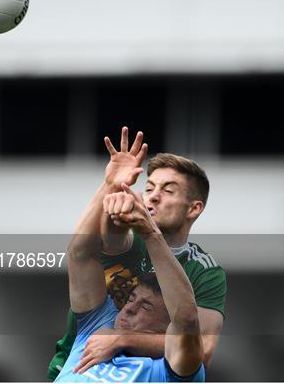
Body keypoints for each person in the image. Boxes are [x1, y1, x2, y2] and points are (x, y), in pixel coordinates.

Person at [48, 127, 226, 380]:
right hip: (79, 355)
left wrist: (122, 339)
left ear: (194, 209)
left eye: (168, 190)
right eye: (150, 187)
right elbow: (88, 247)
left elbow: (201, 348)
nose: (153, 197)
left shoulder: (204, 271)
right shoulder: (129, 240)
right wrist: (111, 185)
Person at [55, 172, 206, 381]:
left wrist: (150, 233)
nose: (128, 308)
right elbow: (80, 253)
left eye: (146, 307)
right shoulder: (100, 322)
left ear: (167, 327)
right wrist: (110, 183)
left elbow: (186, 320)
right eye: (132, 298)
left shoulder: (168, 370)